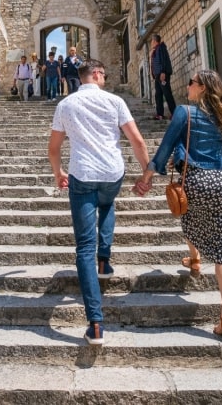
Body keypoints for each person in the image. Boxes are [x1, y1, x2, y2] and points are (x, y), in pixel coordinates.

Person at [48, 60, 151, 346]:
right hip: (111, 173)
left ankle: (95, 324)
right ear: (95, 74)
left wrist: (58, 173)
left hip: (82, 174)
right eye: (103, 73)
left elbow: (54, 147)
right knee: (106, 205)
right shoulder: (115, 101)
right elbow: (138, 141)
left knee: (83, 247)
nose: (105, 77)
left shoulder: (66, 105)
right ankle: (104, 260)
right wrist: (146, 174)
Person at [133, 70, 222, 342]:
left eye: (192, 82)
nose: (188, 85)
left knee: (187, 216)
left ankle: (195, 258)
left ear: (202, 88)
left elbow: (166, 146)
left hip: (194, 179)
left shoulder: (184, 112)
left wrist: (147, 176)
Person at [150, 34, 177, 120]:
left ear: (155, 41)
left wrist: (163, 72)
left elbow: (163, 60)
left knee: (167, 93)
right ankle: (160, 114)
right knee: (158, 95)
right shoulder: (156, 49)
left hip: (162, 74)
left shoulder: (161, 48)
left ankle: (174, 113)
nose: (151, 43)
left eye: (151, 41)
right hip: (158, 75)